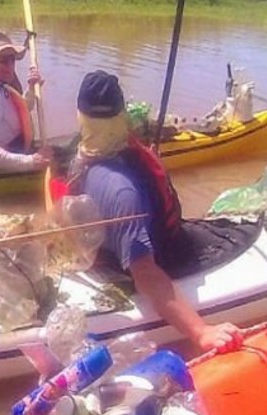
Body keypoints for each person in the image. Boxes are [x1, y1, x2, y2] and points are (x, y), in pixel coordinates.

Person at [66, 70, 241, 353]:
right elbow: (145, 273)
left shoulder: (78, 157)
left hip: (106, 250)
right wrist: (201, 332)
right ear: (122, 116)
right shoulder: (122, 192)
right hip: (159, 256)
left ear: (81, 118)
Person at [0, 29, 51, 172]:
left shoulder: (2, 89)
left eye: (12, 60)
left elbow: (21, 111)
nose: (10, 66)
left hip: (18, 151)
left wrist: (31, 88)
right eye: (3, 61)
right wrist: (31, 161)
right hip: (7, 164)